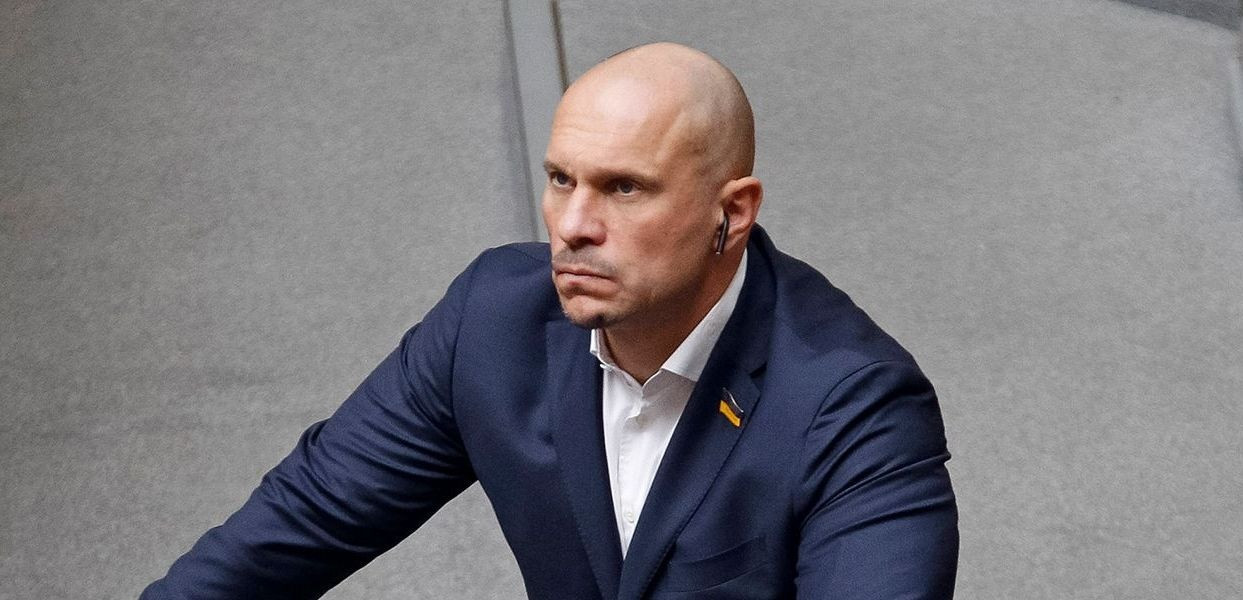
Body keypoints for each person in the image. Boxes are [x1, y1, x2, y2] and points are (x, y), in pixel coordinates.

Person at [143, 42, 957, 599]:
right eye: (562, 179)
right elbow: (303, 522)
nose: (572, 225)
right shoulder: (493, 323)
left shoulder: (854, 404)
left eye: (623, 188)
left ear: (731, 212)